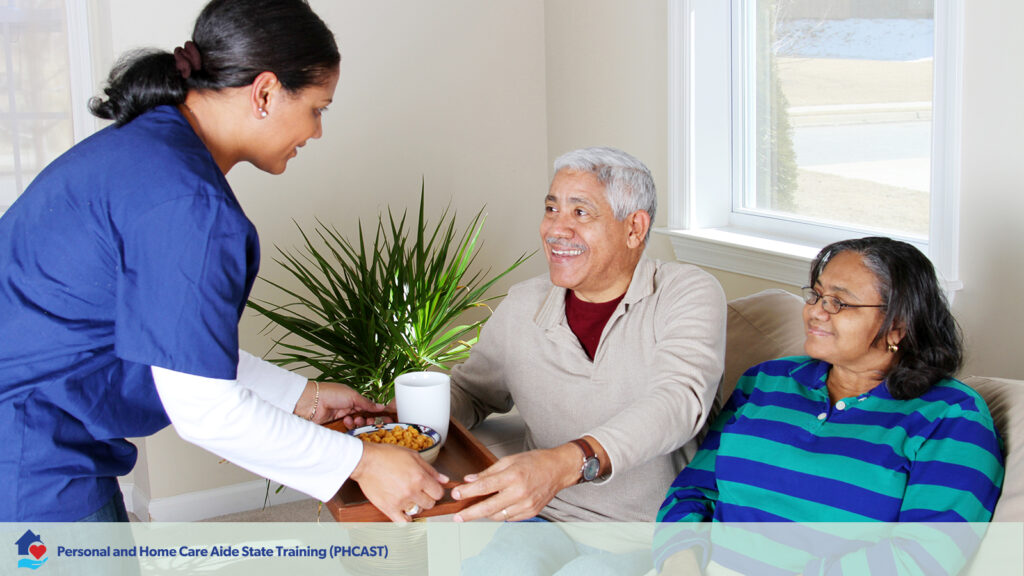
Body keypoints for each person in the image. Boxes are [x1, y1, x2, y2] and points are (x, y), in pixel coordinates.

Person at [0, 0, 445, 523]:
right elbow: (206, 412)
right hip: (32, 455)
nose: (317, 132)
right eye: (317, 109)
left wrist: (306, 396)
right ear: (265, 92)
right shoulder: (190, 206)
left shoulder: (147, 147)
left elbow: (173, 345)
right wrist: (366, 461)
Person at [655, 237, 1004, 574]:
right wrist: (679, 564)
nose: (815, 312)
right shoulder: (767, 381)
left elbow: (924, 556)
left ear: (897, 326)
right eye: (817, 295)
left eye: (838, 302)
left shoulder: (952, 418)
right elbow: (692, 490)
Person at [448, 146, 727, 523]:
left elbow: (678, 403)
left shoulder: (687, 292)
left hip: (652, 527)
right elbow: (471, 391)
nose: (556, 229)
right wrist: (401, 423)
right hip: (544, 515)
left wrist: (564, 464)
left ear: (634, 228)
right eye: (551, 209)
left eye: (580, 212)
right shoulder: (522, 303)